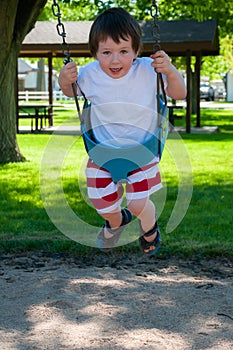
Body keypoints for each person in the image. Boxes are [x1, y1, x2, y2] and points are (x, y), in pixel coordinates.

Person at [58, 7, 186, 255]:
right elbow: (70, 92)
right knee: (103, 204)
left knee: (139, 203)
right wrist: (65, 80)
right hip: (102, 153)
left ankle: (150, 230)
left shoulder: (149, 69)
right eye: (106, 52)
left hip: (143, 151)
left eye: (123, 51)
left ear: (136, 51)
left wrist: (170, 71)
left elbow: (179, 93)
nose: (115, 60)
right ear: (95, 53)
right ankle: (115, 222)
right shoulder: (89, 74)